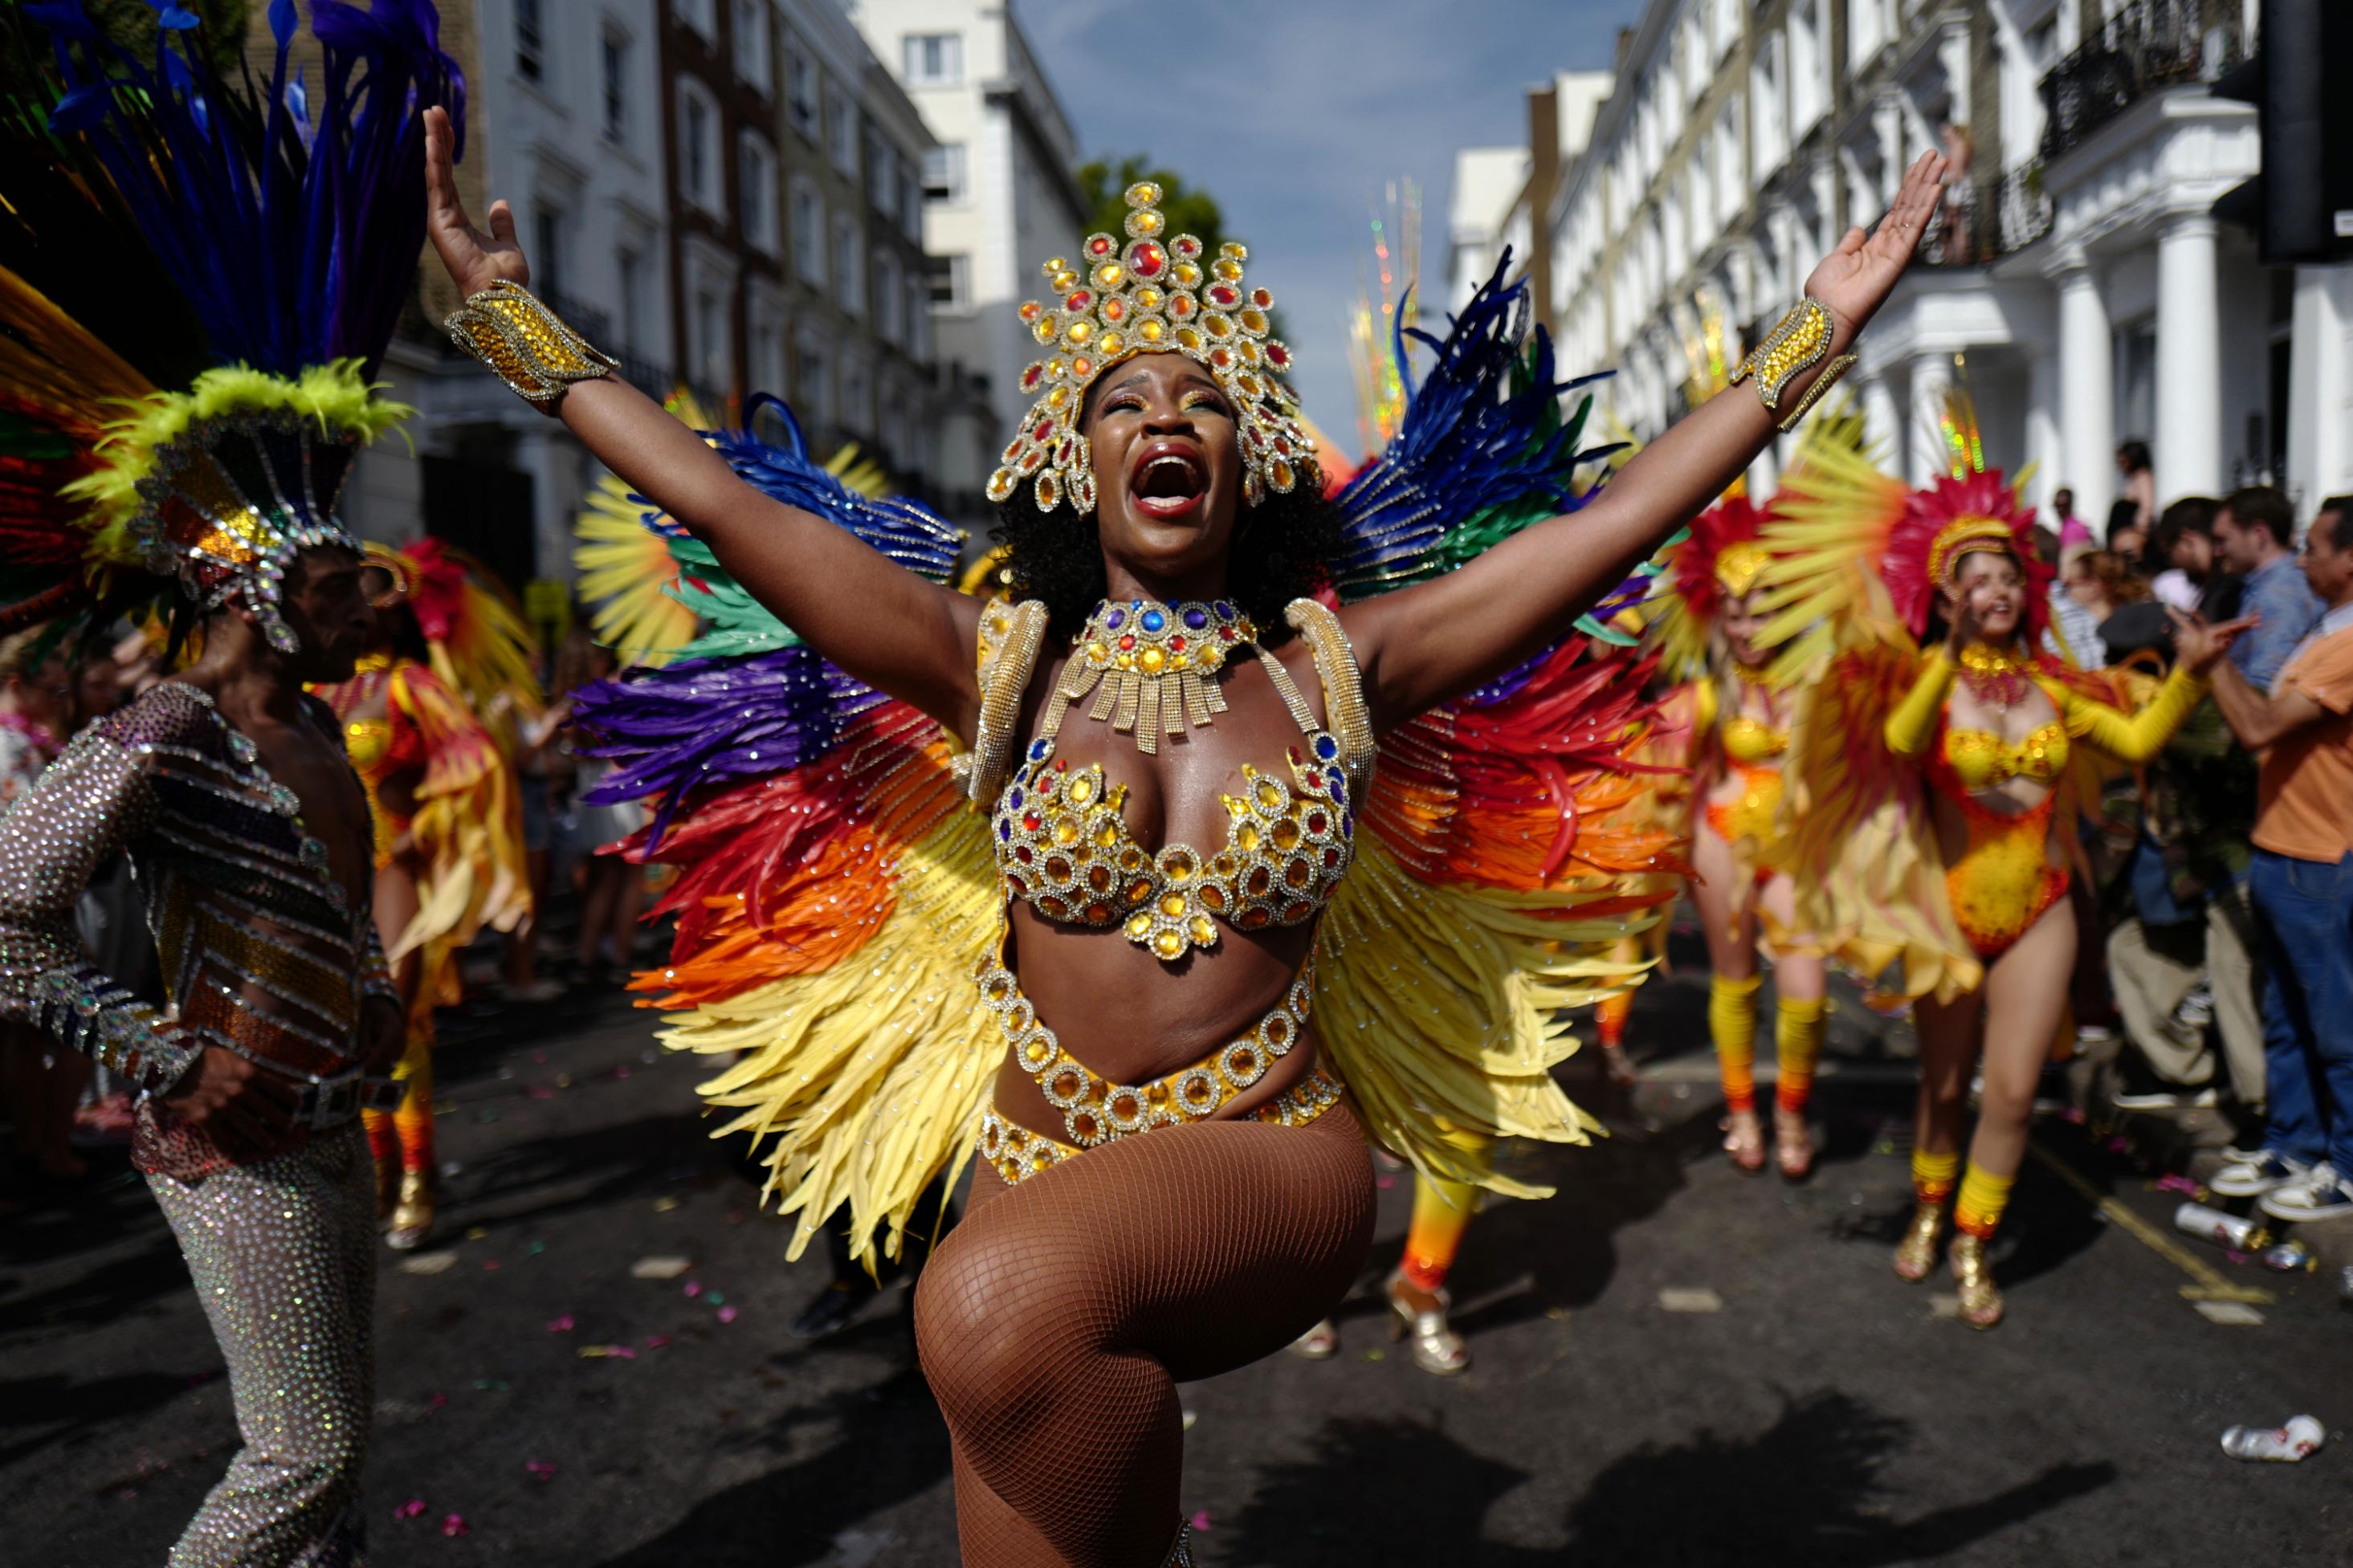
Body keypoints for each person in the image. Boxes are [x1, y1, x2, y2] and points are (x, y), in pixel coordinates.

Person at [427, 92, 1947, 1558]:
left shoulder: (1345, 663)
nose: (1168, 416)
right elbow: (731, 506)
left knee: (972, 1308)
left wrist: (1809, 338)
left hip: (1263, 1157)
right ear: (1068, 464)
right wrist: (516, 326)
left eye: (1204, 399)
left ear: (1253, 452)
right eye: (1126, 402)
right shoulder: (995, 664)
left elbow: (1610, 524)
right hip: (1035, 1160)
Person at [0, 6, 458, 1556]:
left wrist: (378, 993)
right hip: (225, 1142)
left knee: (336, 1457)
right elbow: (2, 915)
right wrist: (156, 1054)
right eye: (355, 583)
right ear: (260, 588)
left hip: (328, 1120)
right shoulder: (161, 735)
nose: (388, 604)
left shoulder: (318, 733)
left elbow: (325, 901)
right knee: (300, 1457)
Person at [1760, 427, 2241, 1330]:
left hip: (2040, 908)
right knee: (1942, 1088)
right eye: (1974, 582)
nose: (1995, 592)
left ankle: (1975, 1242)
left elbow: (2135, 742)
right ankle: (1930, 1209)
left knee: (2012, 1091)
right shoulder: (1931, 686)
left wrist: (2187, 677)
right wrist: (1941, 650)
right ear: (1948, 597)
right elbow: (1901, 743)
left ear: (2024, 593)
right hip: (1945, 917)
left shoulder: (2053, 688)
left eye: (2006, 579)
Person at [313, 540, 531, 1250]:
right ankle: (373, 1175)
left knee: (396, 1022)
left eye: (363, 598)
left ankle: (417, 1177)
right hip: (327, 876)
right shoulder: (317, 692)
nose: (351, 615)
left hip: (391, 870)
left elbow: (478, 764)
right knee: (344, 1031)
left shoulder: (410, 686)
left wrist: (428, 827)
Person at [2198, 498, 2353, 1223]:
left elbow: (2259, 728)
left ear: (2350, 560)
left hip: (2324, 854)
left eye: (2315, 548)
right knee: (2286, 1013)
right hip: (2284, 844)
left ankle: (2346, 1164)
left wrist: (2209, 666)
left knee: (2336, 1024)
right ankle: (2296, 1143)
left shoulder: (2350, 646)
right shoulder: (2326, 631)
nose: (2301, 561)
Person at [0, 627, 88, 1186]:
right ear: (15, 683)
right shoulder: (8, 748)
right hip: (27, 916)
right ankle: (45, 1145)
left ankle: (43, 1145)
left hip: (39, 912)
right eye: (49, 676)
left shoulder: (27, 742)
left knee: (31, 1037)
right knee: (74, 1027)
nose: (61, 685)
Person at [2214, 485, 2325, 692]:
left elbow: (2264, 688)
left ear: (2259, 534)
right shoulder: (2269, 587)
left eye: (2223, 540)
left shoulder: (2279, 596)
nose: (2217, 551)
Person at [2116, 439, 2155, 537]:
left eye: (2123, 461)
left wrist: (2139, 531)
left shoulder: (2143, 478)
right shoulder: (2135, 478)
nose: (2120, 465)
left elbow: (2147, 507)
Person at [2052, 487, 2091, 554]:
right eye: (2058, 506)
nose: (2060, 510)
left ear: (2070, 504)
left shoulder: (2075, 529)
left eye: (2064, 506)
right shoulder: (2064, 528)